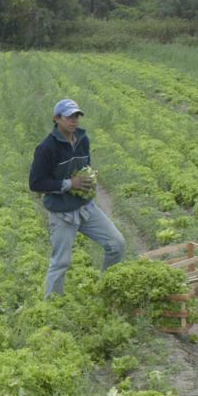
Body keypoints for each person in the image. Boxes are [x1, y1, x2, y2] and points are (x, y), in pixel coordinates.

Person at [29, 98, 126, 297]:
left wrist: (90, 175)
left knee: (117, 244)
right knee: (60, 263)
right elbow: (36, 183)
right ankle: (52, 307)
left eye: (76, 117)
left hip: (86, 207)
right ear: (57, 119)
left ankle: (106, 293)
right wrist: (69, 184)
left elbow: (84, 165)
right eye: (69, 117)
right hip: (62, 212)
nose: (74, 121)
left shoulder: (82, 140)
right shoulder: (46, 148)